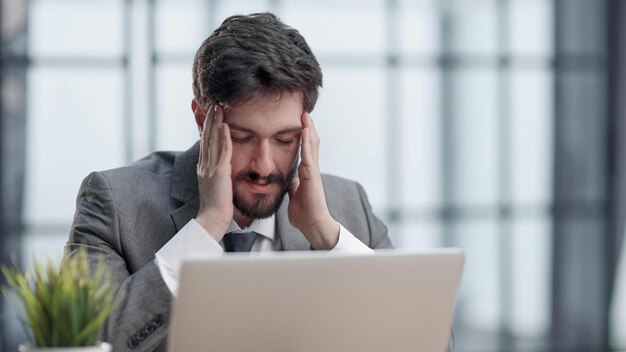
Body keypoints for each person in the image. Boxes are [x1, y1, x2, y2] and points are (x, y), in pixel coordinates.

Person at [66, 12, 392, 352]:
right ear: (201, 119)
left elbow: (434, 341)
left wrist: (328, 237)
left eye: (284, 140)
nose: (264, 166)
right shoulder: (114, 204)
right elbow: (85, 343)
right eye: (242, 138)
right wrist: (205, 229)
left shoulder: (348, 206)